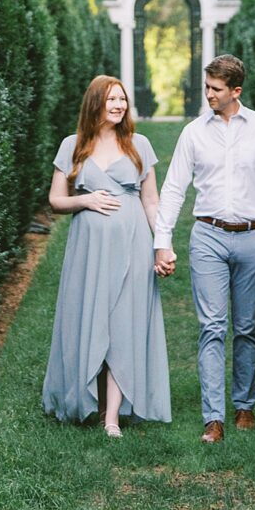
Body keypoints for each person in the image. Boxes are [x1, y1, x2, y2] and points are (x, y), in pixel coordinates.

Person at [153, 54, 255, 444]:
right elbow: (174, 189)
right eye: (207, 88)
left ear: (235, 91)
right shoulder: (194, 133)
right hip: (208, 237)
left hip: (253, 238)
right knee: (212, 327)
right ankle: (213, 418)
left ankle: (244, 405)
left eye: (215, 89)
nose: (208, 95)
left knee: (247, 327)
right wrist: (162, 241)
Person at [42, 75, 173, 434]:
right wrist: (84, 199)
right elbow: (56, 200)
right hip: (89, 250)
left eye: (122, 100)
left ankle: (112, 417)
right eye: (111, 100)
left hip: (131, 243)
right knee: (91, 317)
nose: (118, 106)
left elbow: (151, 200)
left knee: (123, 325)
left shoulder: (138, 144)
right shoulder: (73, 145)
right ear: (95, 104)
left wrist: (162, 244)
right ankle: (83, 398)